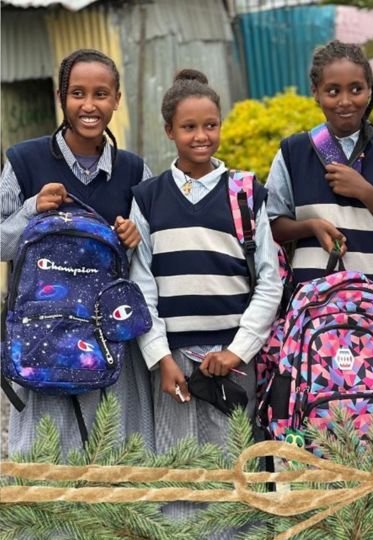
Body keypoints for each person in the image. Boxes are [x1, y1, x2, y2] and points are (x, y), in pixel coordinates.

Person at [265, 40, 373, 464]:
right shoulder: (294, 153)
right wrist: (310, 227)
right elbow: (272, 223)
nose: (344, 101)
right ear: (315, 91)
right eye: (332, 90)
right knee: (320, 434)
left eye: (356, 89)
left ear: (371, 90)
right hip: (314, 328)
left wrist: (368, 193)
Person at [1, 48, 154, 455]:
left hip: (110, 343)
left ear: (117, 99)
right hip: (42, 339)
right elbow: (1, 243)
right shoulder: (24, 161)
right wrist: (31, 209)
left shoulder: (135, 171)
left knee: (117, 456)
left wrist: (137, 236)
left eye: (101, 94)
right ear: (60, 97)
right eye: (78, 94)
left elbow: (148, 259)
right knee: (45, 460)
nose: (89, 106)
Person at [129, 69, 281, 459]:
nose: (201, 136)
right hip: (173, 359)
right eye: (189, 127)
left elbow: (269, 280)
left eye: (210, 125)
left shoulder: (245, 193)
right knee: (178, 466)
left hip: (234, 358)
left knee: (237, 468)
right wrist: (161, 358)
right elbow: (141, 283)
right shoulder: (148, 198)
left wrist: (239, 350)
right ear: (169, 131)